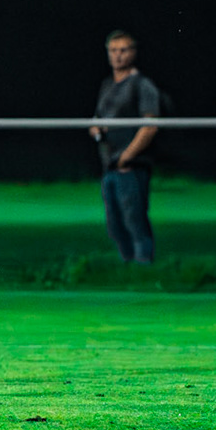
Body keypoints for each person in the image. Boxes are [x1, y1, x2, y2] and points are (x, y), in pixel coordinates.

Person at [88, 30, 160, 264]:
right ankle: (127, 266)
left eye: (123, 50)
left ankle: (143, 266)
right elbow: (98, 118)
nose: (118, 55)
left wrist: (127, 156)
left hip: (131, 166)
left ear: (133, 53)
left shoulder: (142, 84)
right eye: (113, 50)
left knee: (134, 220)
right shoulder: (107, 84)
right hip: (109, 164)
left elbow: (150, 125)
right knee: (115, 224)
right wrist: (96, 129)